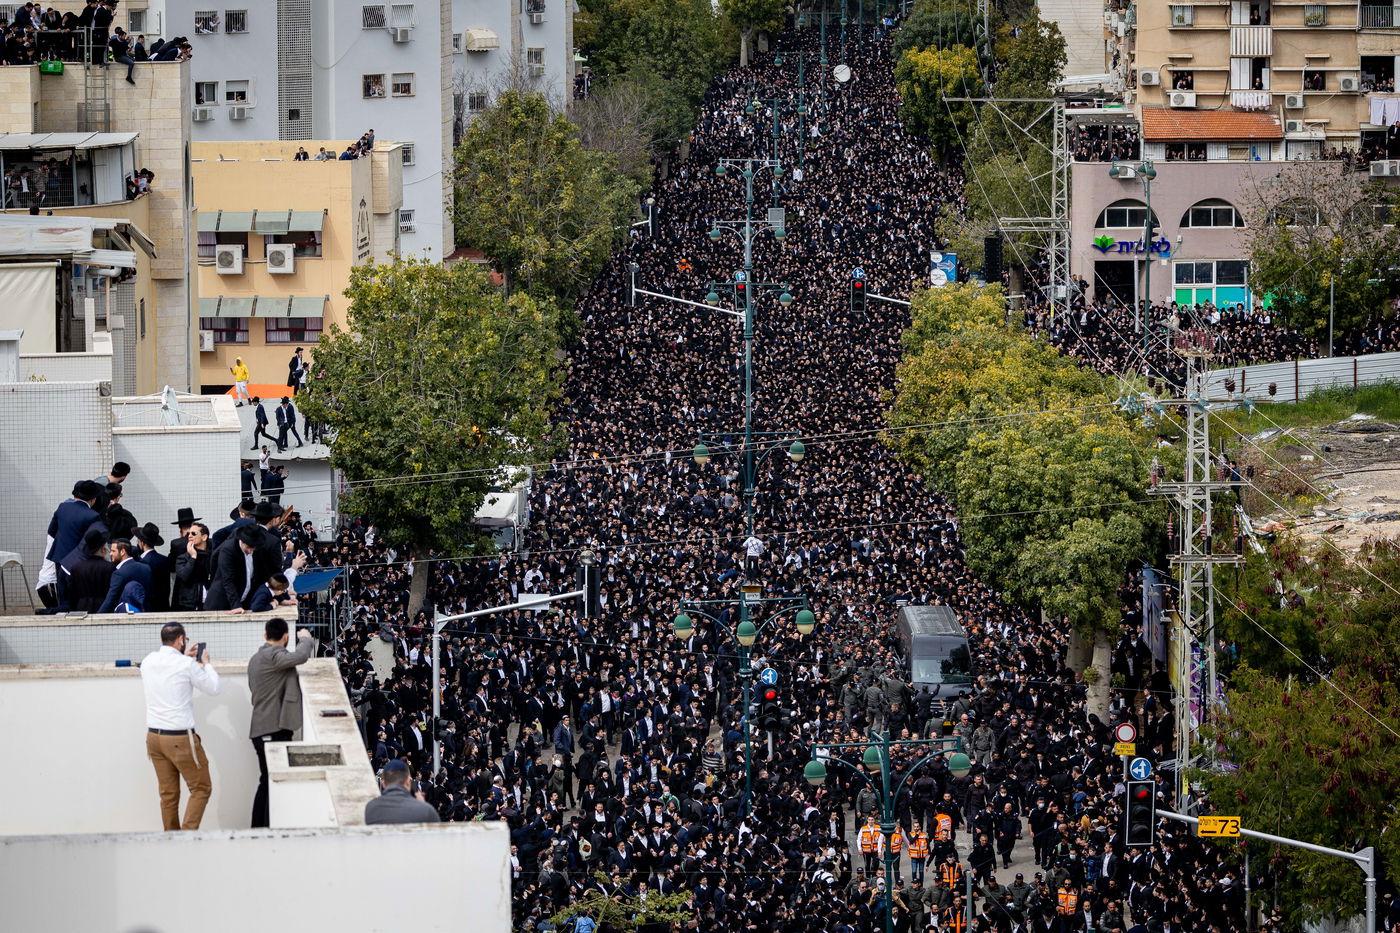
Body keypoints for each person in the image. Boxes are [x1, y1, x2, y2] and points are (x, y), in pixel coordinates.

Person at [141, 622, 220, 830]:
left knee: (168, 795)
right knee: (201, 788)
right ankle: (186, 838)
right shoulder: (187, 665)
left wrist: (186, 658)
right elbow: (213, 688)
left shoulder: (148, 661)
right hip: (179, 737)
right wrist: (205, 663)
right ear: (180, 640)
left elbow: (169, 671)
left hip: (154, 738)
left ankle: (170, 841)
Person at [247, 618, 314, 827]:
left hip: (262, 728)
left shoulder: (256, 658)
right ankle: (260, 828)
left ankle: (262, 827)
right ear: (286, 636)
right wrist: (305, 639)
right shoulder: (274, 655)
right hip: (272, 728)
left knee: (267, 780)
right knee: (269, 782)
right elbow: (300, 656)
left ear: (265, 635)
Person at [203, 525, 261, 612]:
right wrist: (236, 605)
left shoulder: (255, 550)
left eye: (253, 548)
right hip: (221, 601)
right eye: (248, 547)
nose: (250, 551)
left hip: (242, 600)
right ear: (242, 541)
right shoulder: (229, 549)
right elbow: (228, 579)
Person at [364, 759, 441, 824]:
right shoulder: (426, 811)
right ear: (408, 781)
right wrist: (422, 804)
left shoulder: (371, 808)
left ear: (383, 784)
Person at [98, 537, 152, 613]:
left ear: (122, 552)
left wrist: (98, 616)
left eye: (113, 551)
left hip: (127, 613)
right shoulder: (146, 568)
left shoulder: (119, 573)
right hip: (146, 612)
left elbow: (110, 599)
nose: (110, 554)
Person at [173, 522, 212, 611]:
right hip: (190, 606)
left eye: (193, 533)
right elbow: (184, 576)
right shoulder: (182, 558)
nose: (189, 536)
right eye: (188, 534)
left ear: (204, 537)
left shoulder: (212, 557)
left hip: (210, 604)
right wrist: (193, 557)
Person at [133, 522, 170, 613]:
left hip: (148, 608)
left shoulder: (141, 562)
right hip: (163, 606)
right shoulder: (164, 560)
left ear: (142, 543)